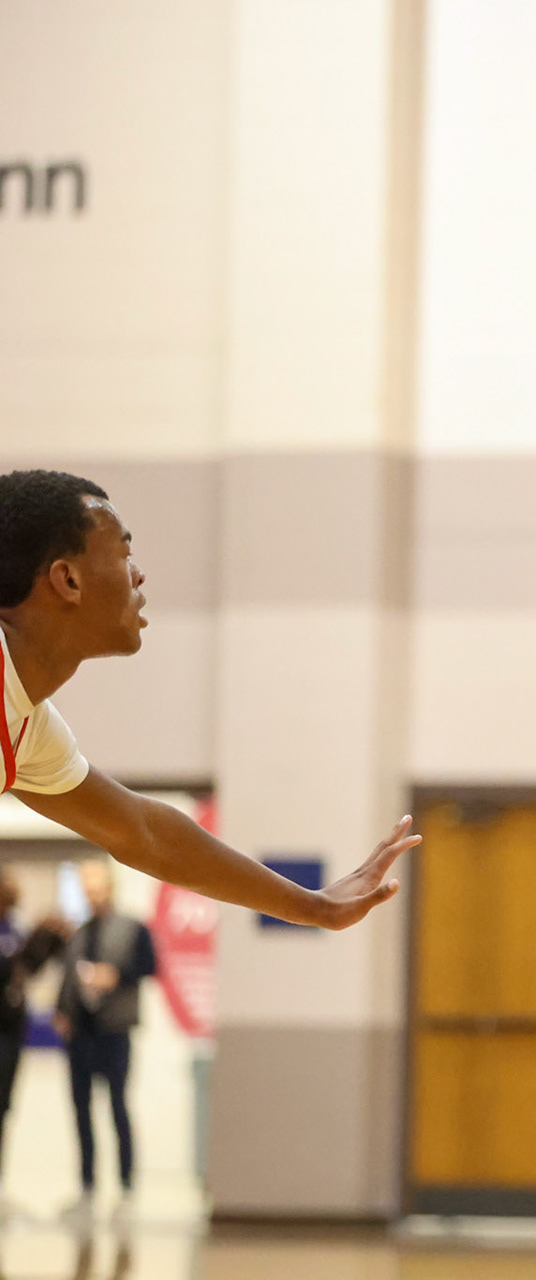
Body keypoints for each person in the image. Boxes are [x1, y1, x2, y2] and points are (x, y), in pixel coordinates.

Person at [0, 470, 416, 925]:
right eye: (123, 554)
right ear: (68, 580)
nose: (139, 574)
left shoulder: (27, 727)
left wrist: (314, 906)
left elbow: (144, 833)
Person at [53, 859, 155, 1218]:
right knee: (81, 1110)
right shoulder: (79, 933)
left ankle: (126, 1186)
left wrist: (116, 975)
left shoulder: (132, 928)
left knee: (117, 1106)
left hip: (114, 1030)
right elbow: (68, 978)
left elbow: (149, 965)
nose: (92, 896)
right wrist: (61, 1010)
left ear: (110, 888)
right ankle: (87, 1185)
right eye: (86, 890)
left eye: (96, 888)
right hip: (82, 1033)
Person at [0, 866, 68, 1190]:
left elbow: (26, 970)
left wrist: (44, 938)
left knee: (3, 1105)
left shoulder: (16, 931)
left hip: (10, 1029)